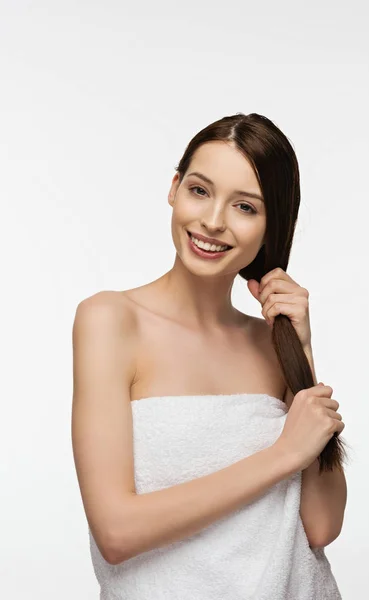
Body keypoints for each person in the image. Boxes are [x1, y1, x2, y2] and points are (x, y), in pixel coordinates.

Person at [71, 112, 348, 599]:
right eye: (200, 190)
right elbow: (115, 533)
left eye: (245, 206)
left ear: (272, 225)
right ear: (174, 188)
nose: (214, 221)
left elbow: (321, 527)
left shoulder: (272, 345)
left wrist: (300, 354)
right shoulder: (111, 320)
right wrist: (282, 455)